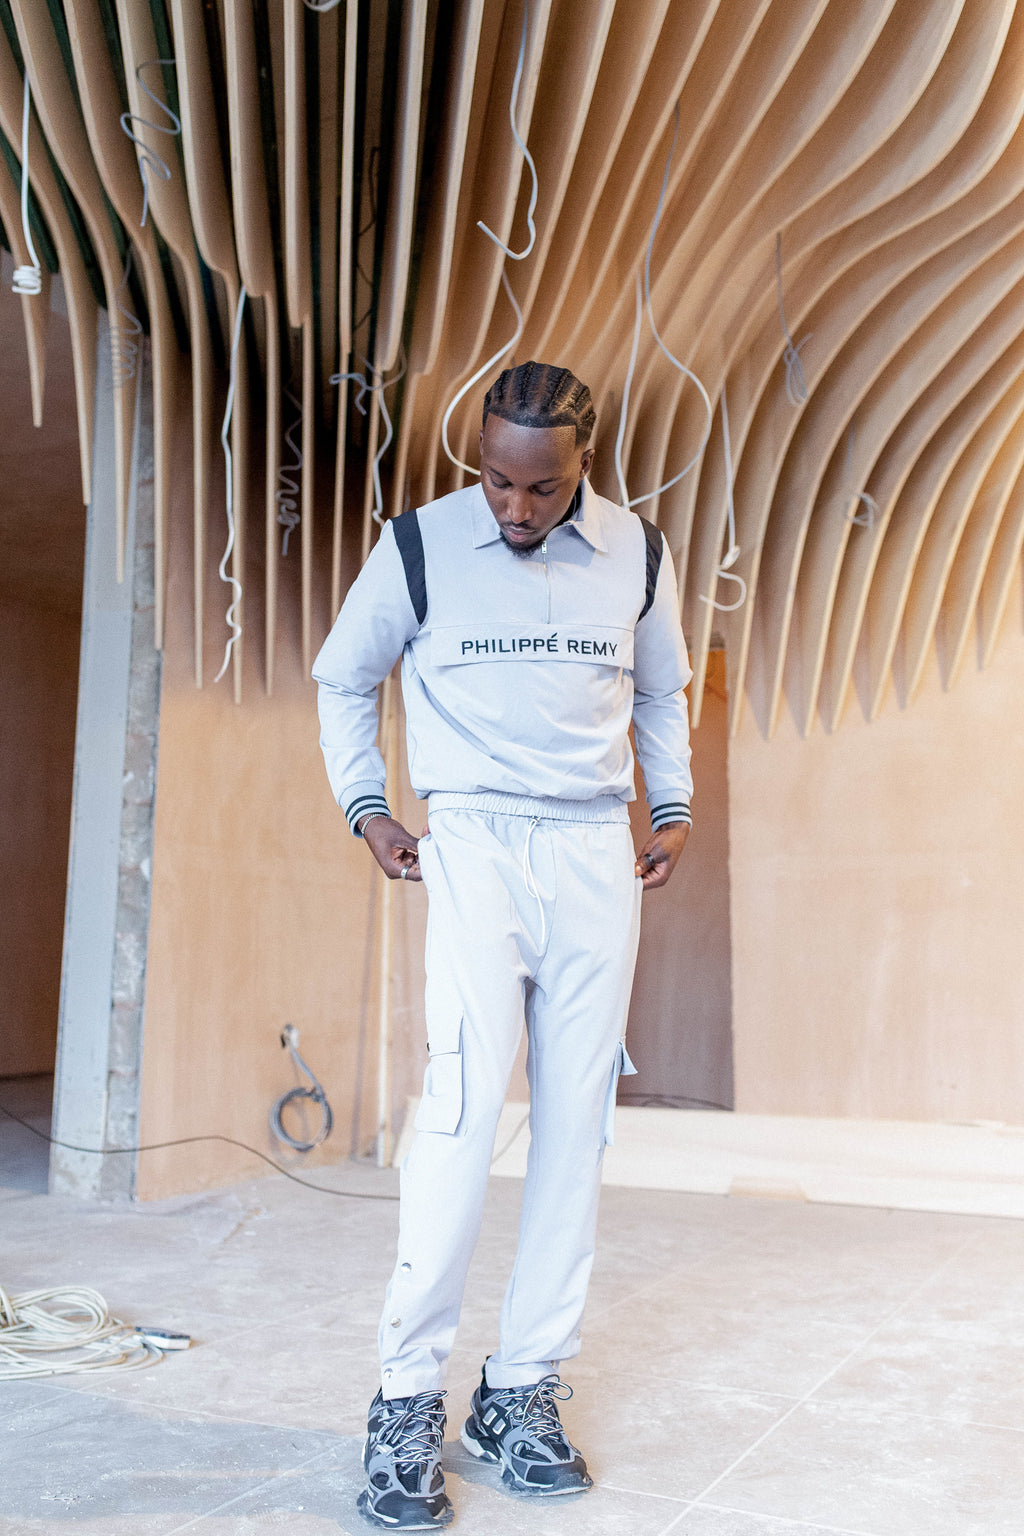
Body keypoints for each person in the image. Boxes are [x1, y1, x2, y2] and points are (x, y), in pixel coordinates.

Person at [313, 360, 693, 1530]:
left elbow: (660, 694)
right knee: (463, 1108)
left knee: (576, 1124)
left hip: (592, 847)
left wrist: (672, 804)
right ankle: (404, 1400)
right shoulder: (420, 545)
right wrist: (367, 808)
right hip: (471, 836)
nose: (515, 508)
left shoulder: (637, 553)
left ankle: (519, 1389)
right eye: (495, 481)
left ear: (582, 467)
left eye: (541, 488)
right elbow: (343, 677)